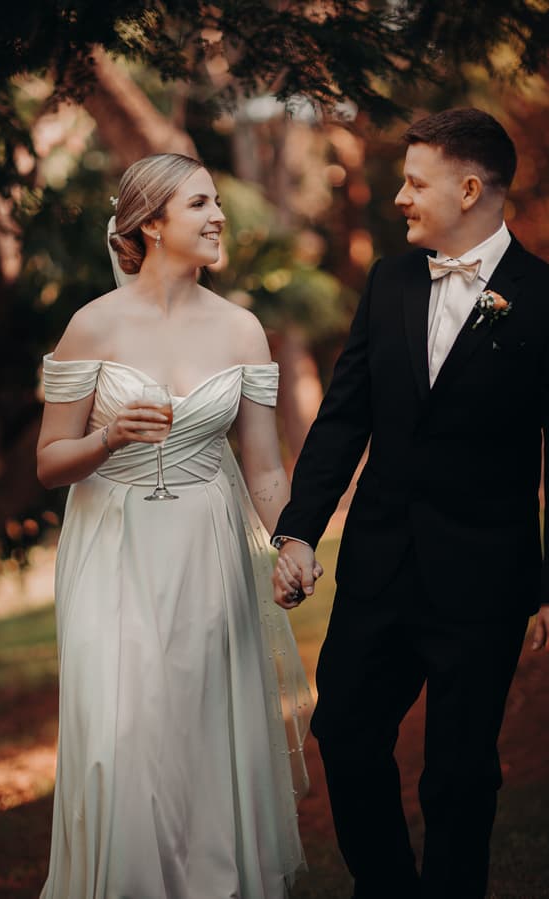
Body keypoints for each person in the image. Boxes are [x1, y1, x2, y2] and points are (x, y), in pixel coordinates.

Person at [272, 108, 549, 899]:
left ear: (469, 188)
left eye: (415, 181)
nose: (399, 196)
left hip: (484, 579)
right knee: (346, 734)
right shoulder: (391, 280)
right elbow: (345, 415)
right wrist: (299, 530)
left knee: (460, 774)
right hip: (380, 566)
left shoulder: (542, 298)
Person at [37, 153, 315, 899]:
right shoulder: (92, 325)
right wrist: (106, 439)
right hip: (110, 551)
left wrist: (289, 541)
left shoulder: (241, 329)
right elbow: (50, 460)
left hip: (207, 551)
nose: (218, 215)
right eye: (200, 203)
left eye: (216, 200)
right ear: (151, 223)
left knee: (203, 734)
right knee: (119, 742)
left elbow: (261, 468)